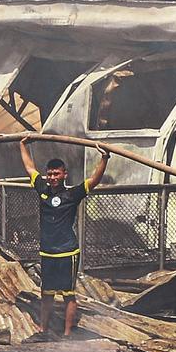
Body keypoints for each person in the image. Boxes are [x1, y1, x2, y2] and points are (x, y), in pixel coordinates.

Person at [19, 137, 109, 337]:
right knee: (47, 294)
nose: (52, 177)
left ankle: (68, 333)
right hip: (48, 251)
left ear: (64, 175)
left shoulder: (72, 194)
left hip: (67, 251)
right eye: (49, 174)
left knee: (68, 295)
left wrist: (105, 158)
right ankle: (43, 329)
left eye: (56, 174)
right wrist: (22, 145)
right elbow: (29, 168)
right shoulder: (42, 188)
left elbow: (94, 180)